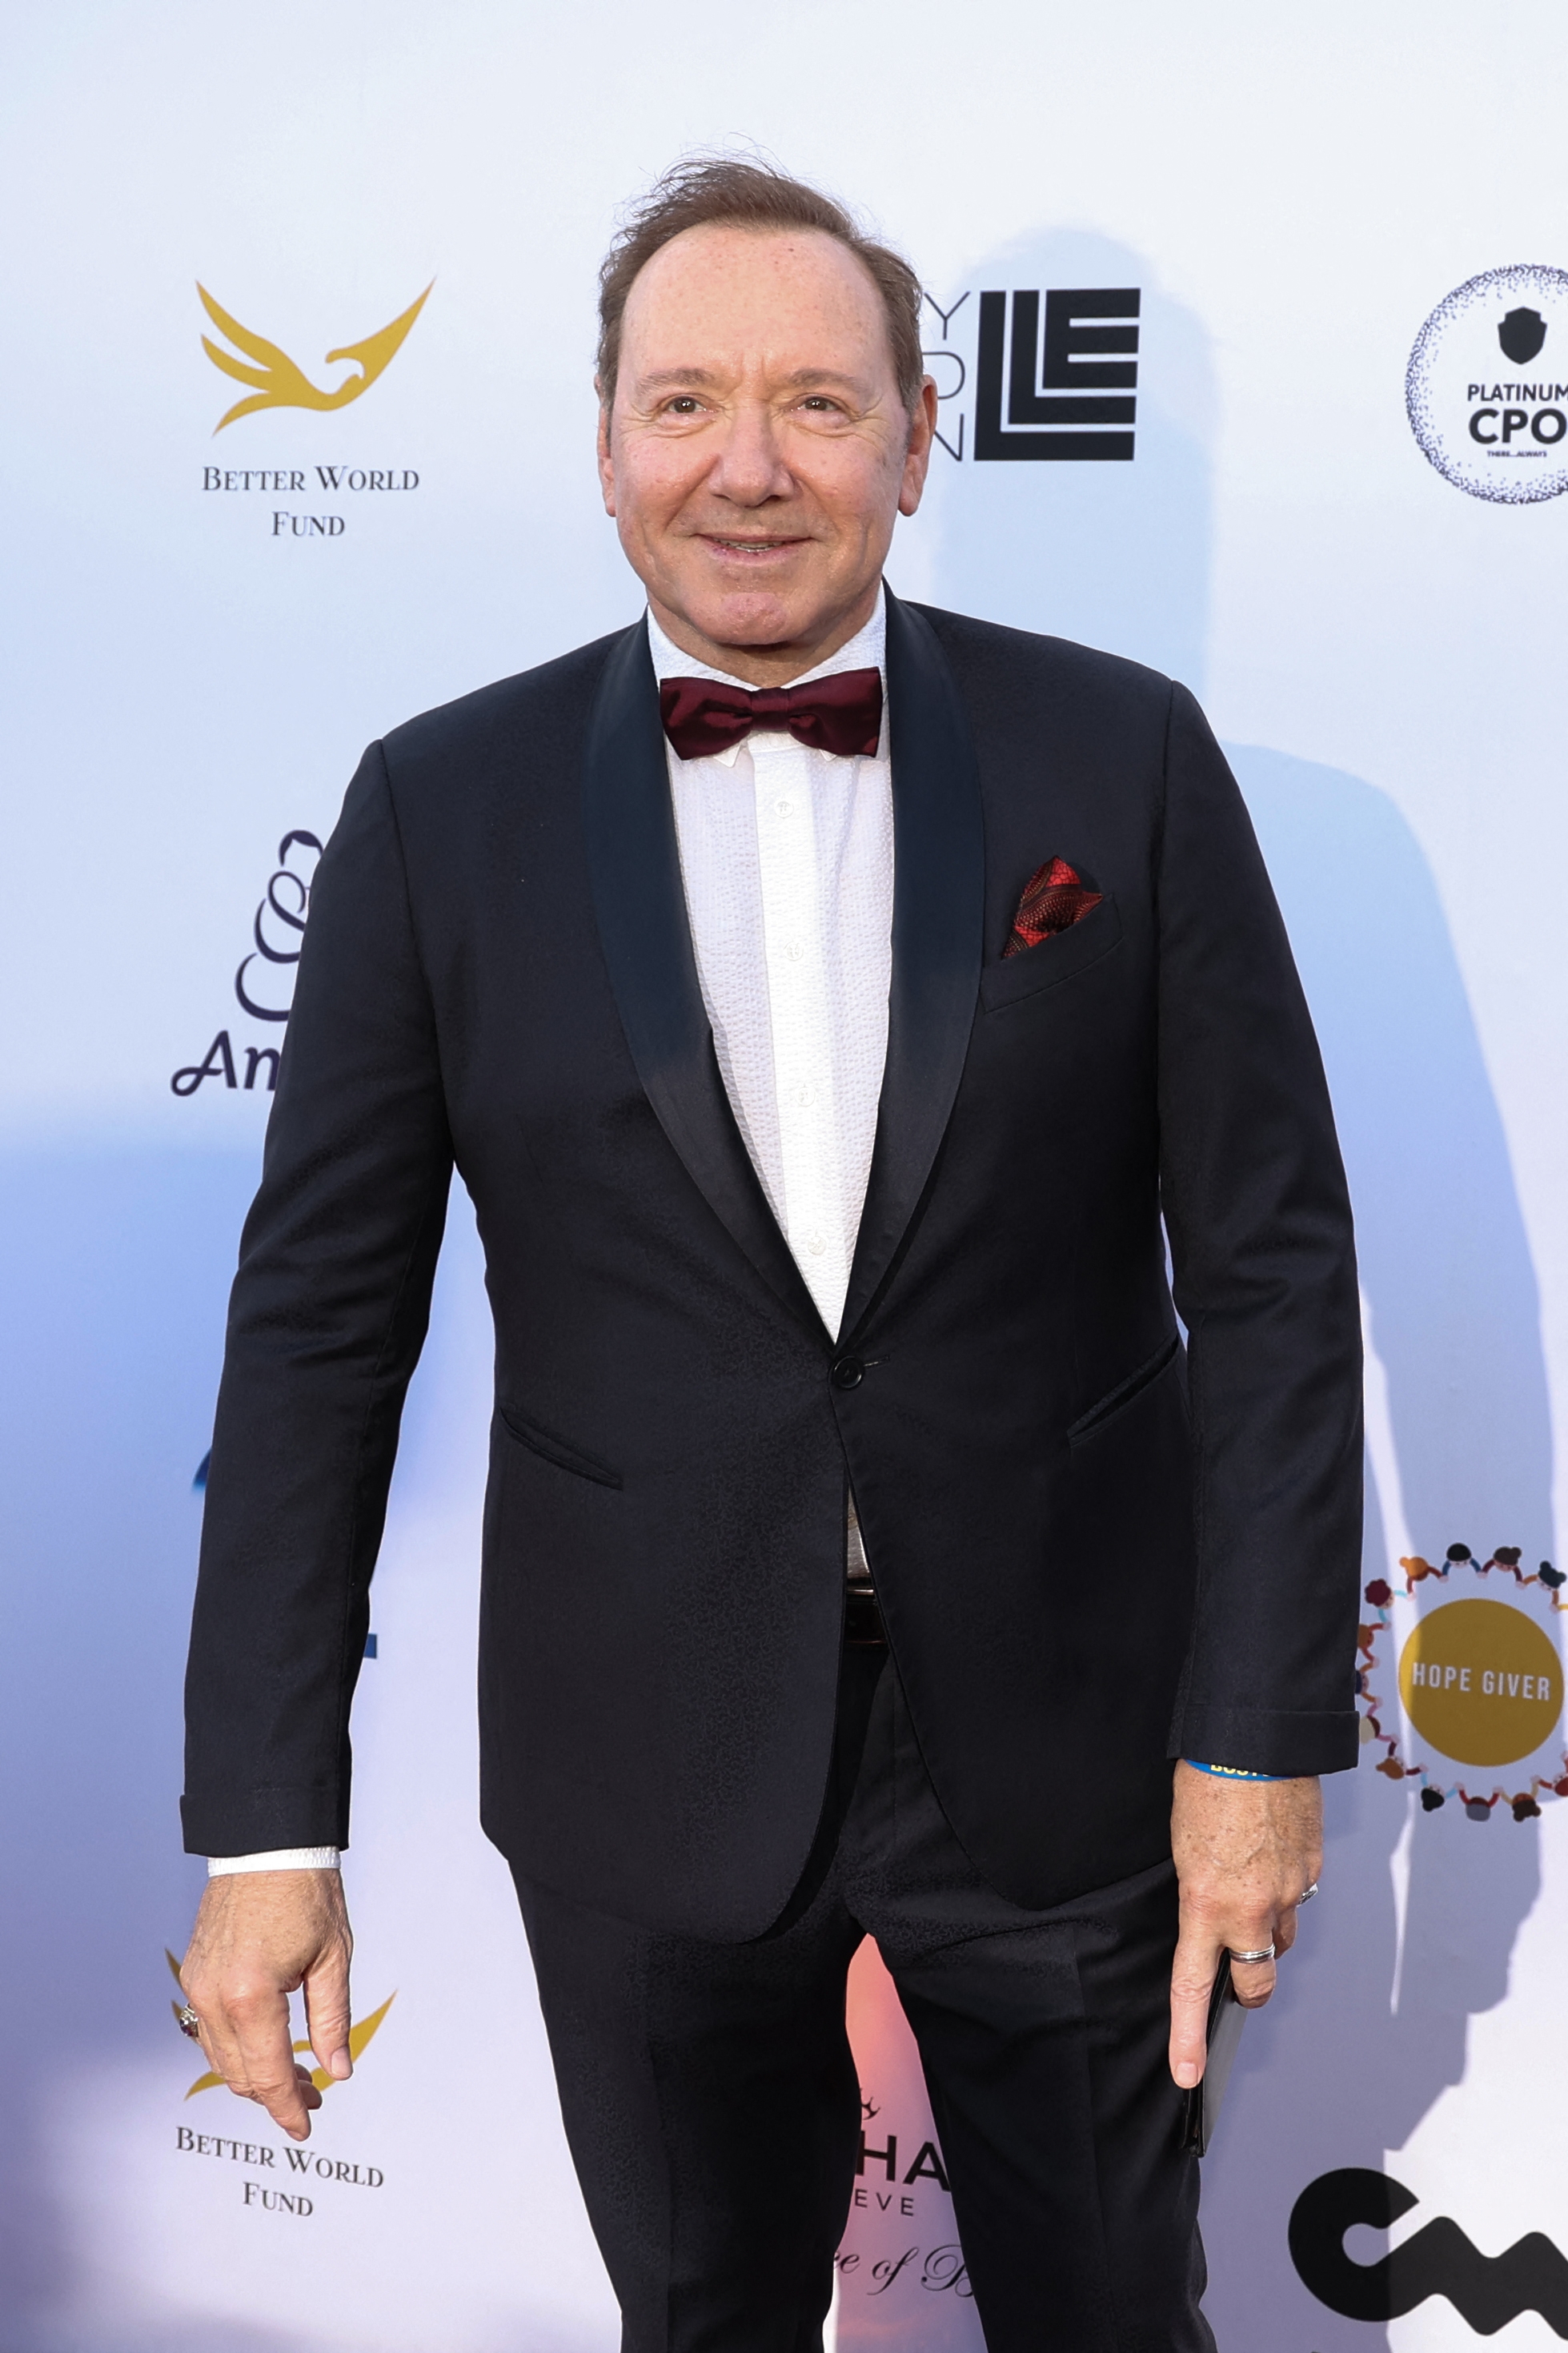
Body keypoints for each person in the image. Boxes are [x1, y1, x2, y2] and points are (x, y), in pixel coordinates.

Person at [178, 158, 1362, 2351]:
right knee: (702, 2316)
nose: (748, 464)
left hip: (1076, 1735)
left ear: (921, 435)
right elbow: (320, 1336)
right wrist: (266, 1824)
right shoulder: (442, 808)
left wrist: (1260, 1736)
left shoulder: (1129, 756)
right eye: (686, 401)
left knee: (1114, 2310)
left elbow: (1277, 1276)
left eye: (817, 402)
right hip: (639, 1738)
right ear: (605, 448)